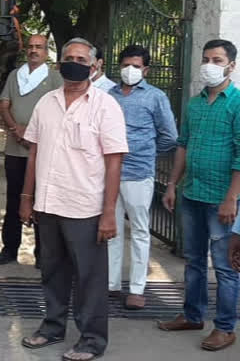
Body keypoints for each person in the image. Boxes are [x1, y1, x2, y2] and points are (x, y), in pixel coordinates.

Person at [19, 37, 128, 361]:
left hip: (85, 208)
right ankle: (53, 326)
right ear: (59, 63)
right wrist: (27, 197)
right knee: (52, 270)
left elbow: (114, 160)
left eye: (82, 59)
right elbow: (34, 151)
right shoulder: (46, 102)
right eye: (69, 57)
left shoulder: (106, 106)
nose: (74, 62)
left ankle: (92, 339)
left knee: (89, 278)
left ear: (94, 67)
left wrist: (109, 213)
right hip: (48, 204)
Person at [158, 39, 240, 352]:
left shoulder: (237, 103)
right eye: (206, 58)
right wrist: (172, 185)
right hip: (192, 193)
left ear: (231, 65)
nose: (210, 64)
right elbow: (183, 144)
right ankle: (192, 315)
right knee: (193, 260)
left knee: (225, 266)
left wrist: (232, 198)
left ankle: (224, 327)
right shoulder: (194, 103)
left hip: (222, 198)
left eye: (217, 59)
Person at [107, 45, 178, 309]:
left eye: (136, 66)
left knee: (139, 230)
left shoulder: (155, 97)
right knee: (111, 229)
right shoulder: (108, 95)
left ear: (145, 70)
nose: (130, 70)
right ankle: (110, 284)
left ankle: (137, 288)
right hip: (110, 174)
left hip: (138, 174)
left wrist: (147, 154)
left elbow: (170, 136)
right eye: (126, 65)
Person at [0, 34, 62, 268]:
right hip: (15, 148)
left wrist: (34, 135)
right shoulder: (15, 76)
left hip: (42, 150)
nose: (34, 51)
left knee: (42, 202)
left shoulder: (54, 78)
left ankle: (43, 254)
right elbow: (4, 105)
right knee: (14, 200)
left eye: (39, 47)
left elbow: (59, 111)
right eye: (31, 47)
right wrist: (16, 129)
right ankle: (9, 249)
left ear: (46, 52)